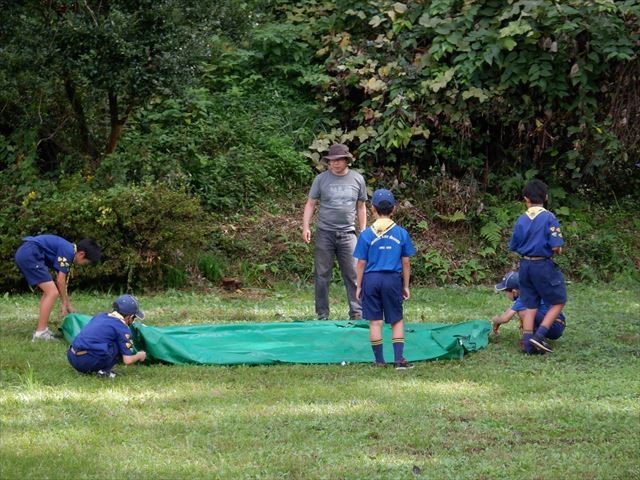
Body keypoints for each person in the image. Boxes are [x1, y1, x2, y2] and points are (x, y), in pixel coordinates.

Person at [302, 143, 368, 320]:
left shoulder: (357, 179)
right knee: (322, 275)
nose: (335, 164)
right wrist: (306, 226)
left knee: (354, 274)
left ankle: (357, 313)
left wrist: (364, 231)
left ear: (346, 161)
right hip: (325, 232)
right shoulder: (321, 179)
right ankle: (322, 314)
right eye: (331, 161)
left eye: (338, 161)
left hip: (349, 234)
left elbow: (361, 207)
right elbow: (310, 204)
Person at [353, 189, 416, 369]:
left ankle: (379, 361)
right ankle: (399, 360)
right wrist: (406, 285)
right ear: (394, 209)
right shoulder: (401, 233)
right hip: (392, 280)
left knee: (375, 321)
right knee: (396, 319)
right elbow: (405, 262)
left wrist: (359, 285)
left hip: (371, 280)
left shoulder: (366, 234)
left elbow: (360, 263)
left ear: (372, 208)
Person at [508, 179, 566, 354]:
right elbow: (556, 246)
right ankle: (539, 336)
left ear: (526, 199)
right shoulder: (549, 217)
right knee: (558, 301)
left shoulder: (521, 219)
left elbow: (514, 245)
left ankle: (527, 343)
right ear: (546, 197)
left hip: (524, 265)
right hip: (543, 265)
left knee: (529, 303)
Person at [14, 234, 101, 341]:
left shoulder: (69, 250)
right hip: (30, 255)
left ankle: (42, 328)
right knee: (52, 292)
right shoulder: (68, 251)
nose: (84, 265)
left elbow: (62, 280)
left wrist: (67, 303)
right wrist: (65, 303)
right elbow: (60, 280)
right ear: (81, 254)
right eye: (86, 263)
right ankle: (40, 333)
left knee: (48, 292)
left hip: (28, 253)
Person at [67, 294, 147, 378]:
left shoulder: (100, 315)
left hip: (72, 356)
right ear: (130, 317)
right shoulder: (122, 328)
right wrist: (140, 355)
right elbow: (128, 360)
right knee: (118, 344)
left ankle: (89, 366)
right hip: (87, 362)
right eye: (134, 318)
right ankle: (104, 372)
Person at [492, 271, 566, 350]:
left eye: (505, 291)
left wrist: (495, 320)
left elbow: (505, 319)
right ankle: (534, 337)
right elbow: (510, 310)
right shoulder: (531, 292)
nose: (505, 294)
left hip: (554, 325)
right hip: (558, 323)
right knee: (524, 310)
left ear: (514, 292)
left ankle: (534, 342)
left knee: (523, 312)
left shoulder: (524, 297)